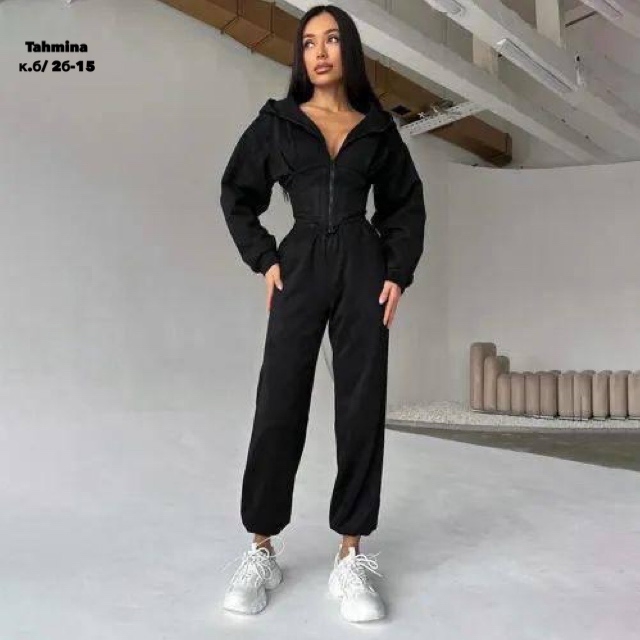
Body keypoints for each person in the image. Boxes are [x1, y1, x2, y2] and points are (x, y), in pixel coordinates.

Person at [218, 4, 426, 623]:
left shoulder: (377, 129)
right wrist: (265, 259)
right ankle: (261, 548)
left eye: (332, 40)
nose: (320, 52)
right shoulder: (278, 123)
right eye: (309, 42)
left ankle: (350, 554)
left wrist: (397, 272)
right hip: (301, 260)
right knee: (279, 399)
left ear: (348, 50)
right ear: (300, 56)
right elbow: (237, 194)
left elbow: (405, 205)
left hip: (362, 263)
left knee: (360, 404)